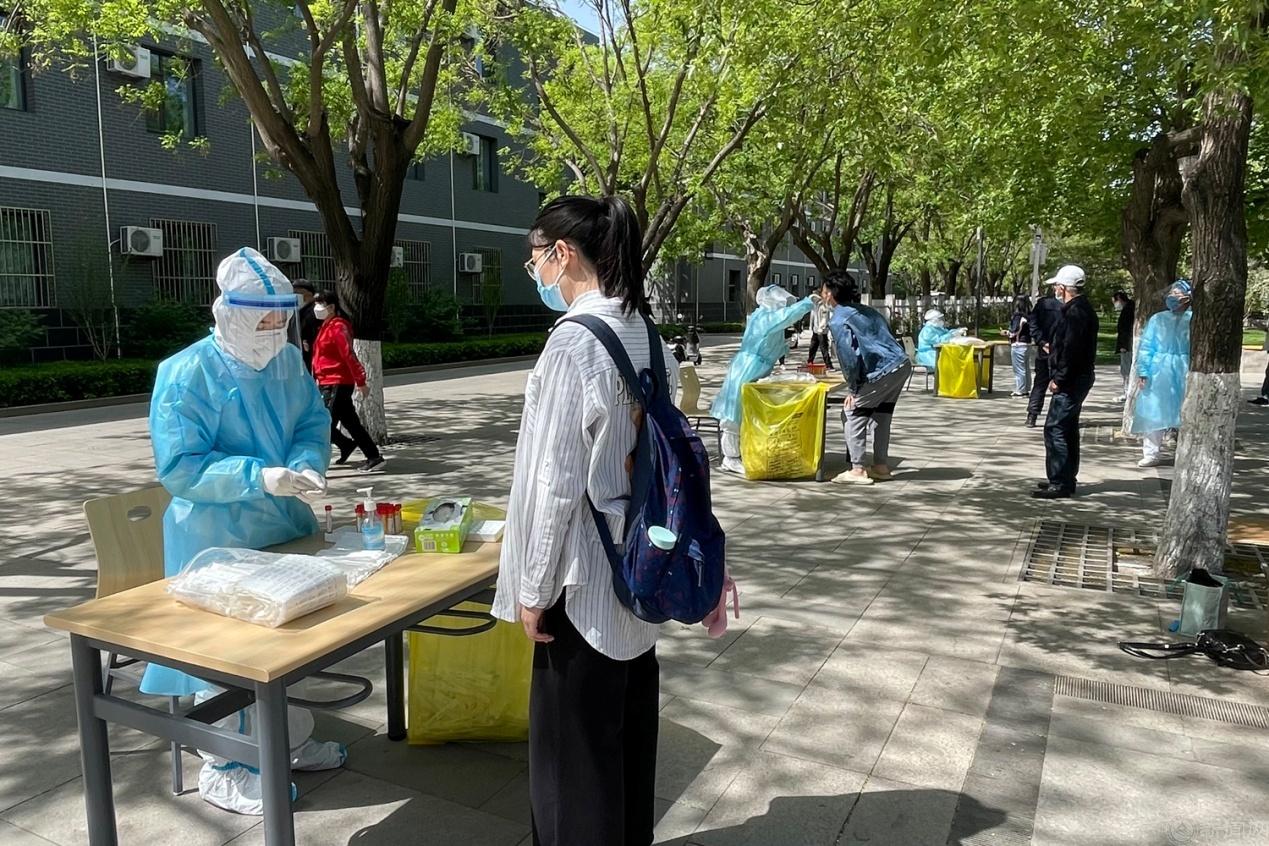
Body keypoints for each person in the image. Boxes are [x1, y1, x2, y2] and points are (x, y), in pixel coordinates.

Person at [493, 195, 678, 846]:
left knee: (570, 768)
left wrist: (532, 589)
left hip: (581, 586)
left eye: (535, 260)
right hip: (639, 567)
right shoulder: (647, 333)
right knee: (626, 746)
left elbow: (555, 484)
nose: (535, 272)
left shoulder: (573, 344)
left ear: (562, 253)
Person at [143, 247, 346, 815]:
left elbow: (311, 421)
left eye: (281, 321)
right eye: (263, 322)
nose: (274, 332)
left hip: (281, 526)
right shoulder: (186, 372)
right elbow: (181, 468)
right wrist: (260, 476)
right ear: (229, 313)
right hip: (214, 537)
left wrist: (306, 463)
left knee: (286, 647)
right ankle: (225, 766)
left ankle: (287, 741)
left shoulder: (285, 362)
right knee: (226, 658)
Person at [710, 284, 812, 474]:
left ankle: (742, 452)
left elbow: (770, 342)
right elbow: (786, 316)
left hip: (755, 367)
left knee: (748, 410)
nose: (783, 305)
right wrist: (807, 303)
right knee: (735, 412)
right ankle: (730, 458)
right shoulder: (765, 317)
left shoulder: (763, 317)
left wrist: (784, 347)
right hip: (747, 368)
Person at [824, 271, 912, 484]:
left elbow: (849, 357)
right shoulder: (868, 311)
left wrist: (854, 389)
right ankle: (880, 466)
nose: (821, 294)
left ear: (830, 294)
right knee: (881, 414)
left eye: (823, 290)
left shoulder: (839, 319)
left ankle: (857, 470)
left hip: (881, 370)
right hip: (900, 364)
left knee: (852, 412)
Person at [1033, 265, 1099, 498]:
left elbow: (1072, 350)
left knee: (1055, 428)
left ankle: (1060, 481)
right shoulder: (1077, 310)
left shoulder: (1076, 313)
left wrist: (1059, 379)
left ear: (1063, 287)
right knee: (1067, 427)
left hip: (1071, 379)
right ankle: (1065, 477)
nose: (1055, 290)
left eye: (1056, 286)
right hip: (1076, 377)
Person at [311, 292, 387, 472]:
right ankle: (370, 455)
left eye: (320, 304)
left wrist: (361, 380)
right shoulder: (326, 326)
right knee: (351, 423)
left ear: (331, 307)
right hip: (328, 382)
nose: (317, 308)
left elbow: (348, 355)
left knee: (323, 424)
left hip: (337, 383)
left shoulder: (338, 327)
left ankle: (317, 463)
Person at [1129, 280, 1192, 467]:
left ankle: (1186, 452)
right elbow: (1147, 346)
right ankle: (1151, 453)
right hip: (1159, 371)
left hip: (1185, 368)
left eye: (1177, 294)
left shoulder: (1194, 319)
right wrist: (1143, 371)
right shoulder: (1158, 319)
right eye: (1171, 293)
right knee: (1153, 410)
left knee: (1186, 410)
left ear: (1188, 297)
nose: (1172, 297)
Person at [1026, 289, 1065, 427]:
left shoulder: (1044, 303)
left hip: (1054, 351)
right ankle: (1035, 414)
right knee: (1044, 383)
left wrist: (1041, 341)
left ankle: (1033, 416)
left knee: (1043, 384)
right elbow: (1033, 323)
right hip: (1054, 351)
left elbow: (1033, 324)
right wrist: (1043, 342)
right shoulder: (1046, 304)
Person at [1112, 290, 1136, 401]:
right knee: (1127, 368)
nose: (1115, 305)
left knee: (1126, 369)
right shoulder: (1130, 308)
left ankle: (1127, 393)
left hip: (1127, 344)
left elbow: (1125, 329)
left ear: (1119, 299)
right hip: (1128, 343)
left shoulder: (1128, 310)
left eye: (1115, 301)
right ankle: (1127, 392)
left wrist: (1123, 345)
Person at [1007, 294, 1033, 396]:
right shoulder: (1029, 315)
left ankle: (1020, 390)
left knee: (1019, 369)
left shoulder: (1017, 316)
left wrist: (1007, 333)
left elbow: (1014, 330)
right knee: (1026, 368)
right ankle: (1026, 388)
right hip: (1027, 343)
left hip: (1018, 344)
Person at [292, 279, 319, 372]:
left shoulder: (315, 311)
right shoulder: (300, 310)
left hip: (310, 352)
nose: (294, 295)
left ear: (309, 293)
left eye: (297, 293)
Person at [807, 290, 834, 369]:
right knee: (812, 347)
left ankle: (829, 365)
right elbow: (813, 317)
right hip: (815, 330)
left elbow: (824, 319)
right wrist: (811, 326)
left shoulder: (823, 306)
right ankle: (810, 361)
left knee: (824, 348)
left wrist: (821, 328)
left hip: (821, 331)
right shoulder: (814, 306)